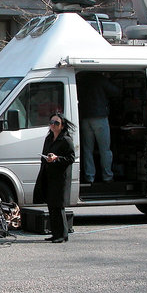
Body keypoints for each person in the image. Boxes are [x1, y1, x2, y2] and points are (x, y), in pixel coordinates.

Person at [33, 113, 76, 243]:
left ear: (62, 126)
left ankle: (63, 234)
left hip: (60, 177)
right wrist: (47, 158)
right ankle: (55, 233)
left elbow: (71, 158)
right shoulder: (49, 138)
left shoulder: (66, 140)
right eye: (51, 122)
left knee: (59, 206)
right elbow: (45, 154)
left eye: (56, 123)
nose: (53, 125)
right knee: (51, 205)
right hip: (49, 175)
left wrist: (57, 158)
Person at [78, 72, 120, 184]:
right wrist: (108, 79)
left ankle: (89, 177)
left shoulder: (81, 79)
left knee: (87, 149)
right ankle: (107, 176)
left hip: (85, 118)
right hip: (100, 117)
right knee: (105, 149)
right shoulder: (100, 79)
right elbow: (116, 91)